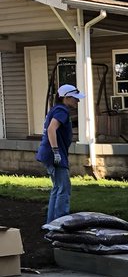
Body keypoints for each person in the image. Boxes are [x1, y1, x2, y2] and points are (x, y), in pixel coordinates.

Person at [36, 83, 82, 222]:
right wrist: (56, 151)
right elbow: (51, 129)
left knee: (57, 188)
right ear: (66, 98)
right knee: (64, 189)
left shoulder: (56, 109)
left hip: (48, 154)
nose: (77, 100)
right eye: (75, 98)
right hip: (54, 154)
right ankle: (61, 224)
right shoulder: (62, 110)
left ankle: (51, 224)